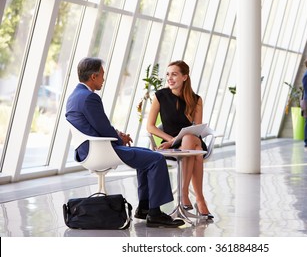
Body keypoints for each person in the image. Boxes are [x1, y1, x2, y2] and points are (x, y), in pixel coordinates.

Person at [65, 57, 184, 228]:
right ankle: (155, 213)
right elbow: (104, 129)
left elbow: (99, 126)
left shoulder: (75, 96)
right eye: (102, 75)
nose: (103, 79)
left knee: (148, 156)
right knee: (156, 159)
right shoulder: (89, 98)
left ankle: (144, 207)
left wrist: (118, 134)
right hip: (100, 150)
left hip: (91, 149)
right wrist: (120, 137)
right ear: (93, 77)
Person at [147, 60, 213, 220]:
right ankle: (200, 200)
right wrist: (171, 140)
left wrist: (178, 139)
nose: (169, 78)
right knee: (196, 153)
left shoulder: (196, 100)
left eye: (174, 74)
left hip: (191, 141)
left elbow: (197, 128)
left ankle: (184, 193)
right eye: (168, 74)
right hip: (172, 145)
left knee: (190, 139)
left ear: (184, 77)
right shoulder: (160, 96)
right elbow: (150, 127)